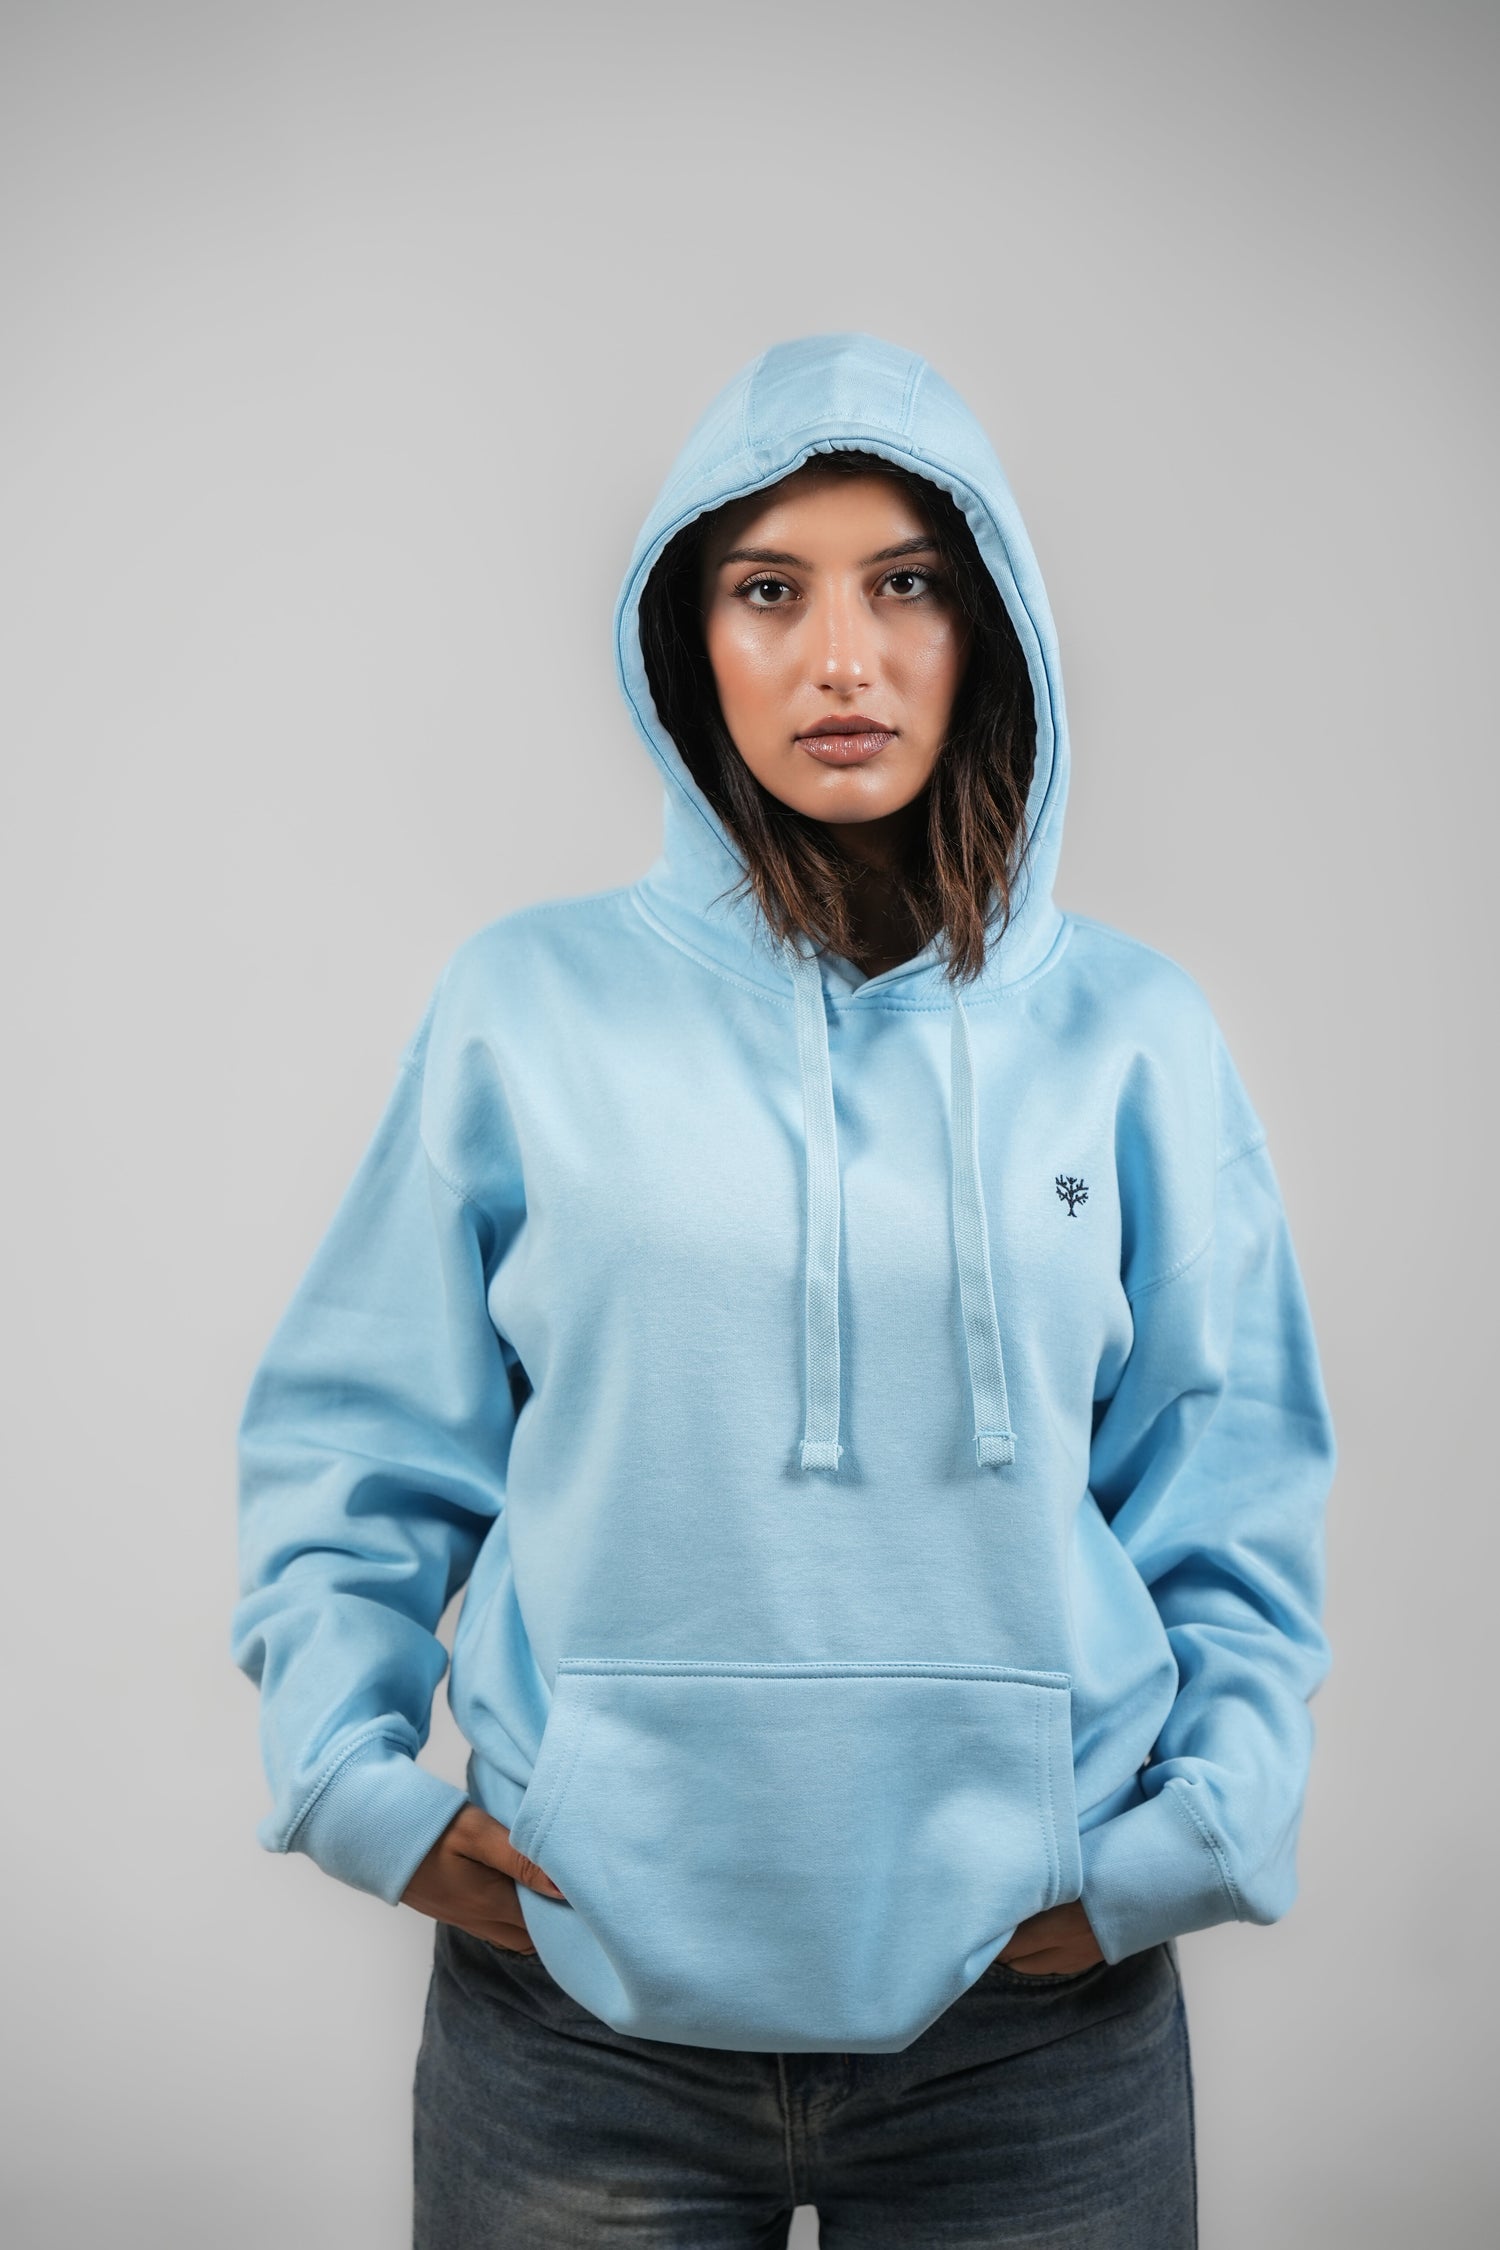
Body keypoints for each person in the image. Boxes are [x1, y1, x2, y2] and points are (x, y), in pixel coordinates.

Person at [232, 332, 1335, 2247]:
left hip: (1031, 2034)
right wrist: (353, 1783)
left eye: (906, 583)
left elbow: (1229, 1476)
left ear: (990, 627)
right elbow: (360, 1440)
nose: (843, 659)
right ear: (690, 640)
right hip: (580, 2026)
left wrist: (1195, 1834)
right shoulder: (525, 1008)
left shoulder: (1134, 1038)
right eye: (769, 590)